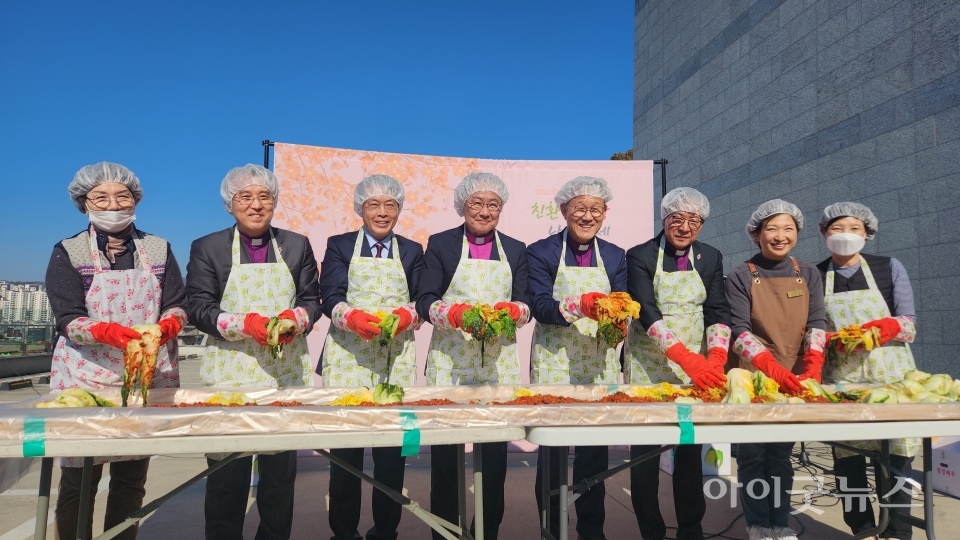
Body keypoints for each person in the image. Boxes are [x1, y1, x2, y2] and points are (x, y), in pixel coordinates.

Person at [45, 162, 186, 540]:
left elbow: (176, 302)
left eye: (122, 195)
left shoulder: (158, 247)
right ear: (83, 202)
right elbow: (67, 317)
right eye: (101, 197)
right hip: (83, 379)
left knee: (130, 479)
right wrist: (107, 332)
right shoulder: (69, 251)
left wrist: (169, 324)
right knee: (79, 480)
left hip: (142, 377)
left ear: (136, 198)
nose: (112, 204)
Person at [185, 164, 321, 540]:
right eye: (245, 197)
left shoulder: (296, 244)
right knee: (227, 476)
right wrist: (246, 325)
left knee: (278, 479)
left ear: (275, 202)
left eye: (264, 197)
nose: (256, 205)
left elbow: (312, 298)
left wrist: (296, 318)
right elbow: (197, 306)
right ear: (230, 204)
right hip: (230, 373)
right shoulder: (207, 247)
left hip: (284, 375)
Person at [416, 172, 530, 540]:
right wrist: (452, 314)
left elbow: (526, 303)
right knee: (446, 458)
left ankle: (487, 530)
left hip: (498, 363)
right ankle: (445, 532)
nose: (485, 211)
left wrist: (516, 313)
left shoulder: (515, 248)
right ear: (462, 205)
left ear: (502, 209)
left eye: (493, 204)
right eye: (477, 203)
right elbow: (425, 299)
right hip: (450, 359)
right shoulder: (441, 244)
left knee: (495, 459)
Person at [319, 174, 424, 540]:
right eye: (374, 205)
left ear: (399, 209)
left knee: (394, 452)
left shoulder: (412, 250)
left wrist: (409, 316)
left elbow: (421, 298)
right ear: (360, 208)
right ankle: (344, 532)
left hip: (396, 358)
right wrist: (352, 317)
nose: (382, 213)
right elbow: (328, 295)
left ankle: (386, 531)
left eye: (390, 205)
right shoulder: (340, 245)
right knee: (346, 454)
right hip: (348, 355)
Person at [622, 187, 730, 540]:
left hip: (694, 368)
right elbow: (646, 310)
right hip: (648, 362)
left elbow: (717, 309)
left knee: (688, 448)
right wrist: (682, 355)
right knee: (645, 456)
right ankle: (651, 530)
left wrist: (715, 357)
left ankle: (691, 527)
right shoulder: (639, 255)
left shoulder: (711, 256)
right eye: (677, 219)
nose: (685, 227)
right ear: (664, 219)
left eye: (694, 220)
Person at [527, 176, 627, 540]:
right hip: (554, 359)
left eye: (595, 209)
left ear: (605, 213)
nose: (587, 216)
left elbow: (622, 304)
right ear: (564, 210)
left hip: (597, 364)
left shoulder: (616, 255)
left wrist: (621, 322)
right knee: (552, 452)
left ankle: (591, 530)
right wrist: (580, 305)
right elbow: (539, 305)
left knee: (592, 454)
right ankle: (551, 530)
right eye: (580, 208)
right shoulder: (541, 252)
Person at [725, 199, 827, 540]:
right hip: (753, 375)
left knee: (782, 454)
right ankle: (757, 523)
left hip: (796, 375)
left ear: (797, 232)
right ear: (756, 234)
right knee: (753, 454)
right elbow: (738, 331)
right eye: (771, 229)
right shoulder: (741, 274)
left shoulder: (809, 273)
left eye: (788, 228)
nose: (780, 236)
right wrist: (768, 367)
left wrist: (812, 366)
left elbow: (816, 323)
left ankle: (780, 524)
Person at [816, 202, 918, 540]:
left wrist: (884, 329)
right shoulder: (816, 275)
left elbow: (910, 324)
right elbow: (813, 330)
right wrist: (836, 340)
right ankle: (862, 529)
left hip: (892, 379)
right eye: (837, 228)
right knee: (849, 459)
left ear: (867, 233)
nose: (845, 235)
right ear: (823, 233)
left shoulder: (889, 268)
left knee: (896, 457)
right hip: (843, 379)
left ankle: (898, 532)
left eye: (854, 228)